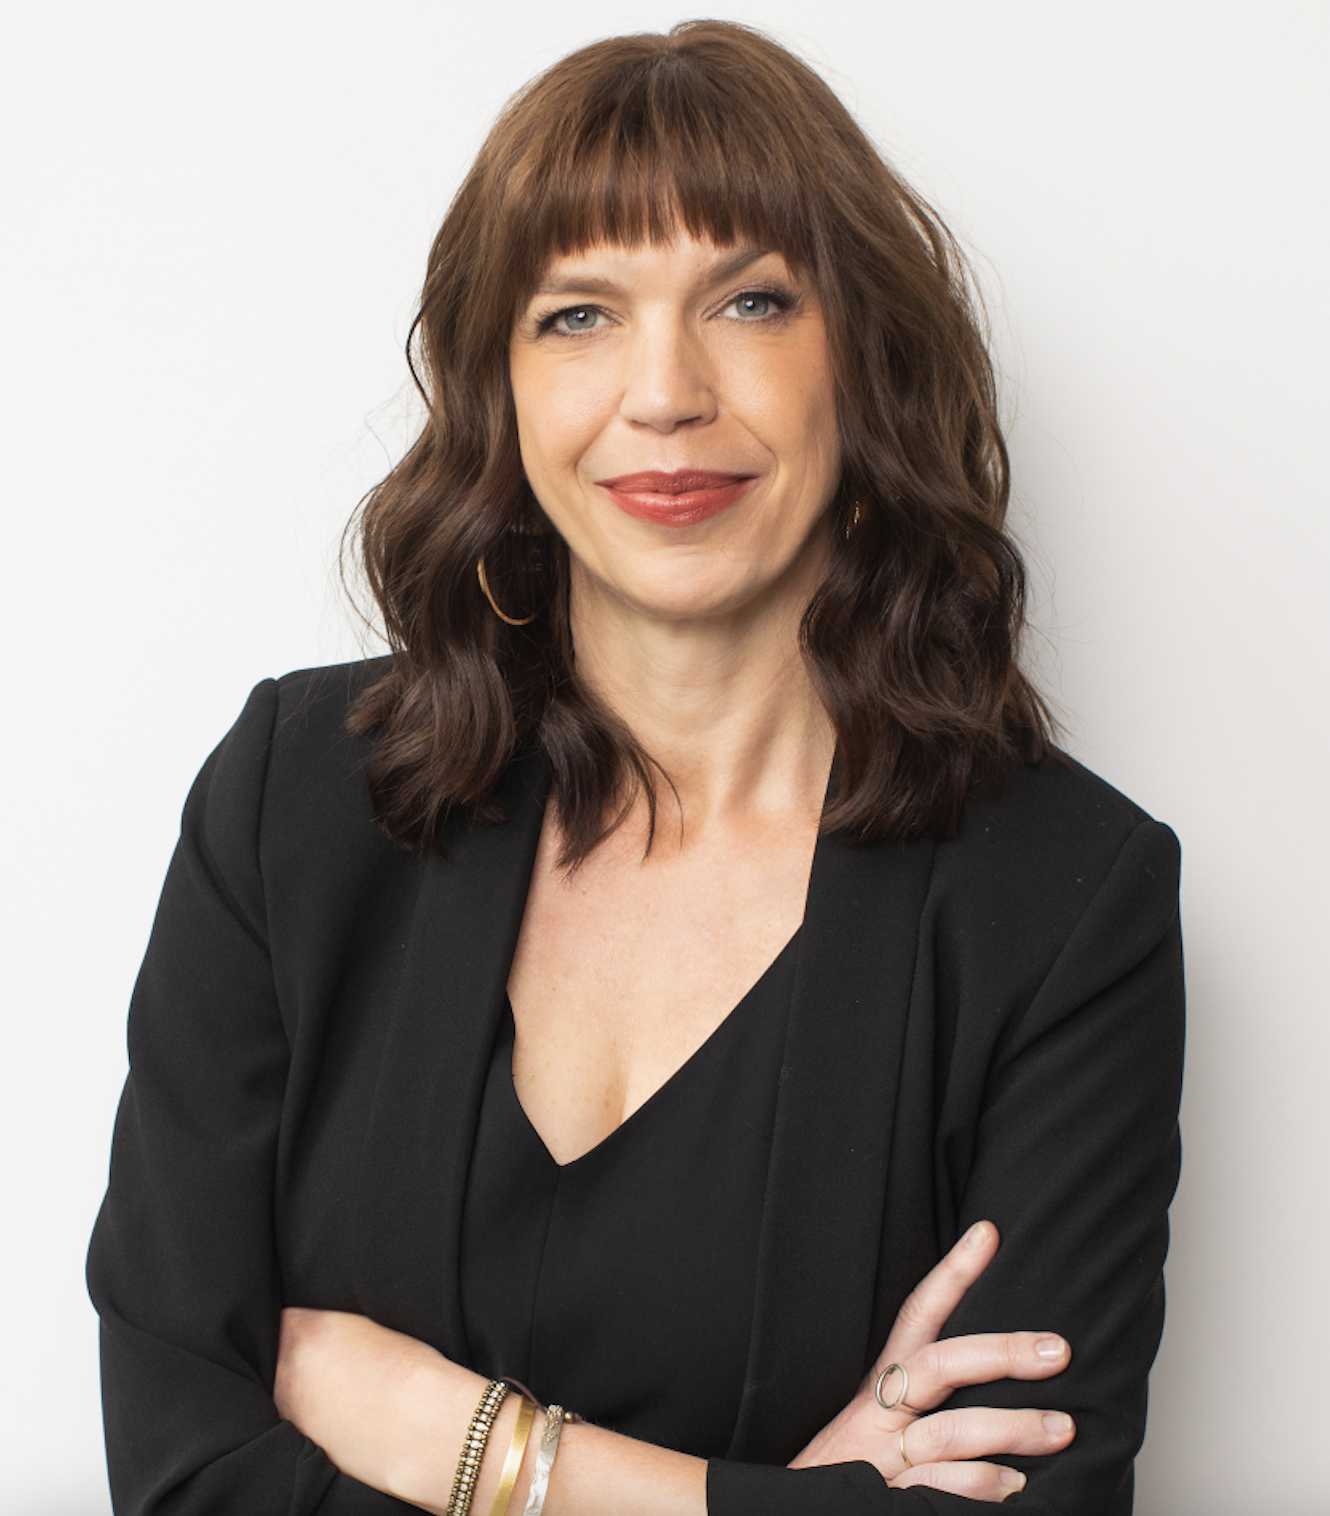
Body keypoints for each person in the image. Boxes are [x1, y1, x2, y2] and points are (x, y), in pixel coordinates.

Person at [87, 19, 1183, 1516]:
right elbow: (181, 1473)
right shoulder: (290, 804)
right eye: (577, 315)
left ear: (860, 359)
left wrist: (485, 1450)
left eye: (747, 298)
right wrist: (779, 1496)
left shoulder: (1063, 904)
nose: (662, 391)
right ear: (502, 391)